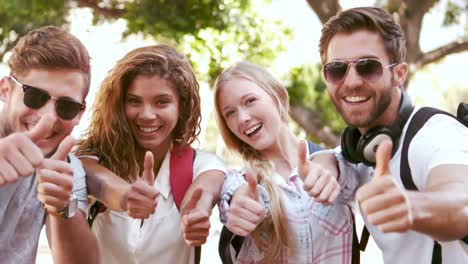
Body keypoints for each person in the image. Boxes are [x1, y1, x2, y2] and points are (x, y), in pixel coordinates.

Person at [319, 6, 468, 263]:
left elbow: (461, 202)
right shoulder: (359, 149)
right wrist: (323, 159)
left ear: (399, 74)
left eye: (368, 67)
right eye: (337, 69)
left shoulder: (435, 135)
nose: (351, 81)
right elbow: (330, 157)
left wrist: (411, 207)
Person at [74, 44, 226, 264]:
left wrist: (197, 213)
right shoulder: (92, 160)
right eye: (134, 101)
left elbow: (208, 187)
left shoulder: (202, 164)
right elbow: (96, 179)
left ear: (181, 106)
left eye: (162, 102)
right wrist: (127, 198)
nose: (146, 115)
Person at [214, 62, 359, 263]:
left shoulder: (337, 164)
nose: (242, 118)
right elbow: (230, 192)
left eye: (250, 101)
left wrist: (329, 162)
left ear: (278, 96)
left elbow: (350, 162)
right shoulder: (242, 183)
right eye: (230, 113)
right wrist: (237, 203)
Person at [0, 26, 99, 263]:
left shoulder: (63, 166)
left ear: (79, 114)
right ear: (5, 89)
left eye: (66, 106)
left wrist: (63, 209)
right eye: (34, 96)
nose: (48, 117)